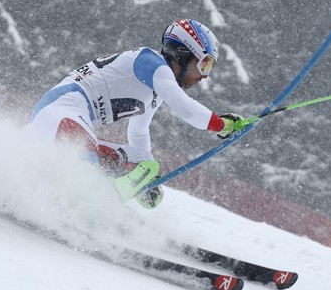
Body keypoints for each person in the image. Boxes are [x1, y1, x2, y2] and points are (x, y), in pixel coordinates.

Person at [29, 19, 243, 209]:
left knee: (145, 163)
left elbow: (139, 133)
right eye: (205, 64)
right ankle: (72, 204)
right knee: (86, 166)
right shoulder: (152, 64)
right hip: (60, 111)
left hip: (66, 123)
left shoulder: (155, 90)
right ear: (184, 53)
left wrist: (144, 182)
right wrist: (222, 125)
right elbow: (185, 108)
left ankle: (88, 203)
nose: (205, 76)